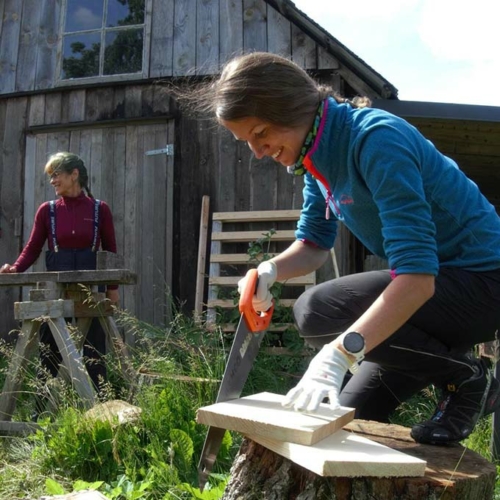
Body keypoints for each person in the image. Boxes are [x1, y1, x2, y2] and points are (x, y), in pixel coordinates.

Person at [183, 51, 500, 445]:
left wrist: (341, 354)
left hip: (482, 288)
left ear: (291, 108)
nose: (257, 151)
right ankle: (457, 376)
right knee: (349, 417)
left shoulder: (376, 140)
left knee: (318, 311)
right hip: (436, 297)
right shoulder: (316, 155)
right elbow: (314, 244)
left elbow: (417, 279)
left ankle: (463, 377)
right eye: (247, 141)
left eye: (260, 133)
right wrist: (270, 271)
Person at [0, 152, 119, 413]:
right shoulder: (48, 211)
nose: (52, 180)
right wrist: (15, 268)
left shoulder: (100, 209)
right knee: (49, 352)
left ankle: (100, 412)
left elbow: (110, 249)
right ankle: (42, 413)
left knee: (94, 351)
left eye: (56, 174)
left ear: (74, 174)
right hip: (56, 291)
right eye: (50, 176)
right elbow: (32, 247)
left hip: (90, 292)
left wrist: (112, 290)